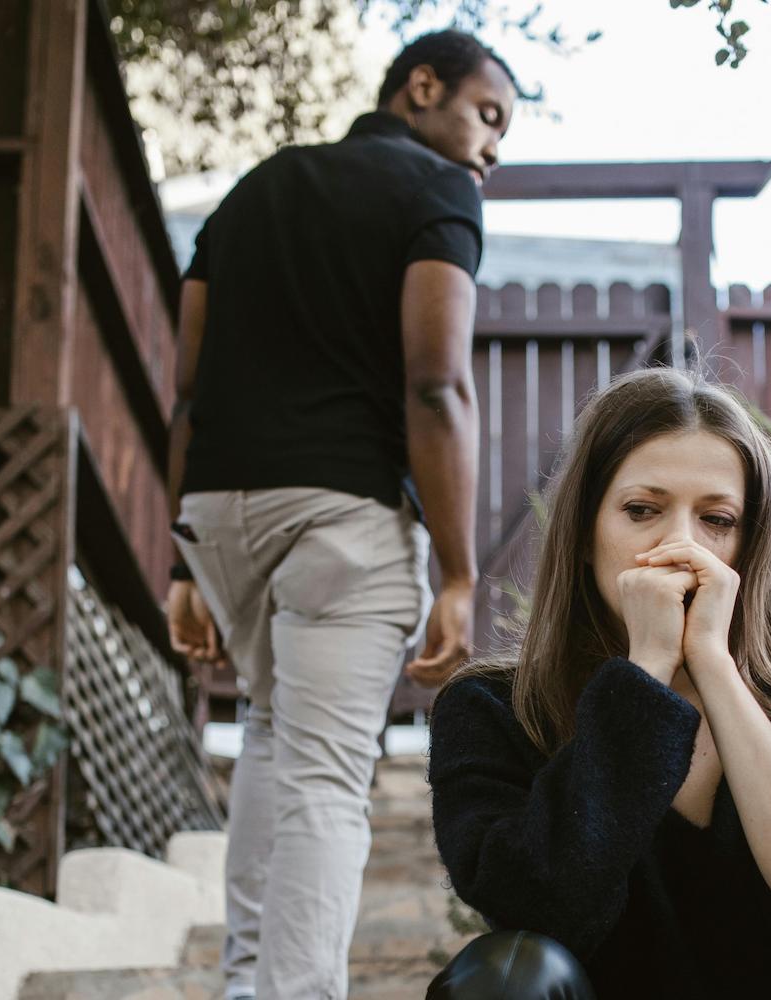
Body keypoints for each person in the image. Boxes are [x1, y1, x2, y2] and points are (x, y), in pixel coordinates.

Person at [162, 30, 519, 1000]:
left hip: (222, 511)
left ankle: (249, 985)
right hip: (343, 520)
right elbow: (438, 383)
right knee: (325, 775)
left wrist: (183, 563)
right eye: (488, 117)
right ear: (422, 86)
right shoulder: (440, 193)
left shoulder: (256, 188)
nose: (491, 148)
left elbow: (189, 387)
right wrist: (456, 570)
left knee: (276, 739)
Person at [426, 367, 771, 999]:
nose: (681, 544)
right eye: (642, 510)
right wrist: (644, 675)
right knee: (504, 974)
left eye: (718, 520)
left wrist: (712, 660)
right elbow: (539, 912)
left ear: (749, 545)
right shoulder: (493, 708)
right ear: (587, 536)